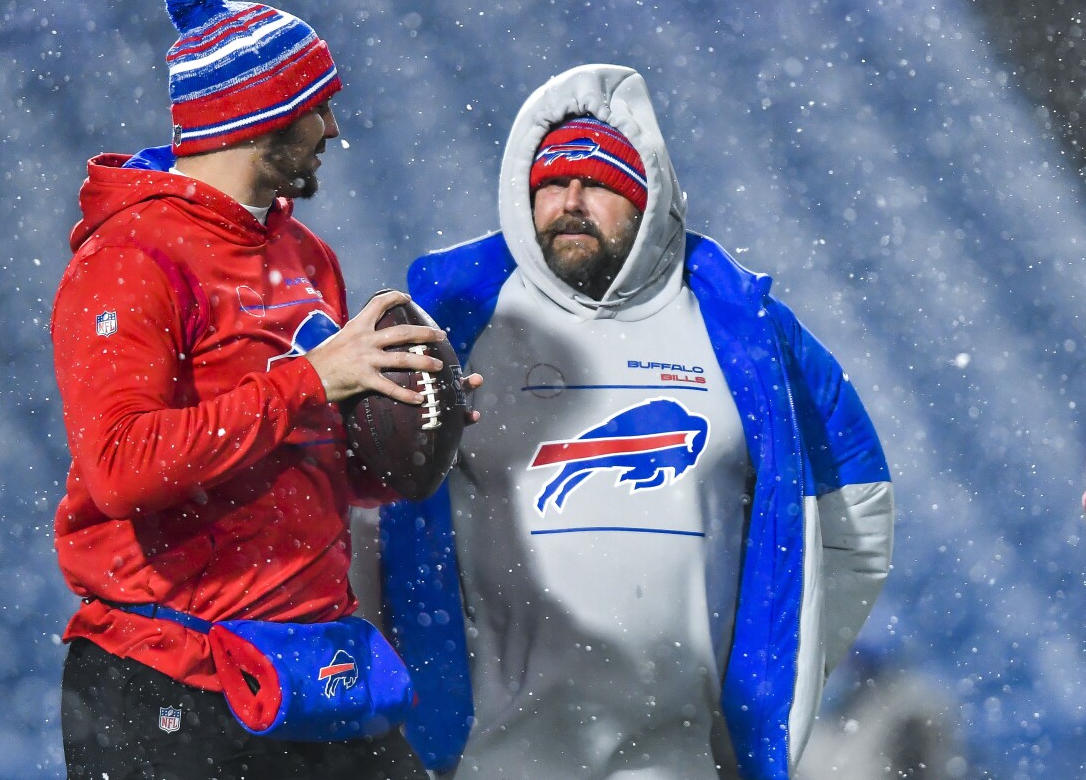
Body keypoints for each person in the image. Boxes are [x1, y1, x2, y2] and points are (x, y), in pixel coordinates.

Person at [376, 64, 894, 779]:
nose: (572, 201)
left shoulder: (745, 328)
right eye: (552, 183)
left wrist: (776, 676)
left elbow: (856, 506)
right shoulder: (454, 320)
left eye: (601, 184)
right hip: (493, 760)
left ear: (651, 199)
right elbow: (368, 511)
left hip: (676, 762)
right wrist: (426, 698)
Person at [51, 0, 458, 780]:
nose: (333, 128)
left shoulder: (307, 257)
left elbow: (306, 466)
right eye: (316, 107)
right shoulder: (129, 261)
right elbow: (121, 468)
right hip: (170, 676)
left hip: (313, 662)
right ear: (256, 117)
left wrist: (408, 430)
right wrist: (311, 381)